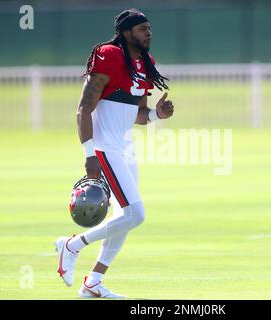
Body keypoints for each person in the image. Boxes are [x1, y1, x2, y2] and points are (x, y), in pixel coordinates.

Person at [55, 8, 174, 298]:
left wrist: (157, 115)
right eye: (142, 28)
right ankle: (72, 245)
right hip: (104, 147)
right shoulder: (108, 54)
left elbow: (138, 115)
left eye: (149, 27)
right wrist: (88, 153)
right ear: (126, 32)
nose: (149, 32)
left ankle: (93, 282)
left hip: (125, 147)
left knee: (124, 217)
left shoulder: (145, 63)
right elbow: (84, 107)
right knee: (136, 214)